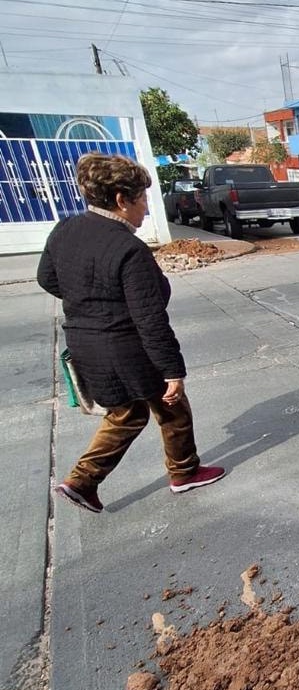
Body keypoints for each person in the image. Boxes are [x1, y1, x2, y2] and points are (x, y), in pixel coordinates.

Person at [37, 153, 225, 514]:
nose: (144, 209)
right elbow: (150, 318)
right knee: (170, 408)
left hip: (84, 342)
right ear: (122, 201)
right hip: (127, 347)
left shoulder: (65, 230)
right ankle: (180, 473)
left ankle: (83, 481)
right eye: (141, 200)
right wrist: (173, 371)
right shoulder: (129, 249)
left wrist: (89, 302)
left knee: (127, 412)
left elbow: (48, 278)